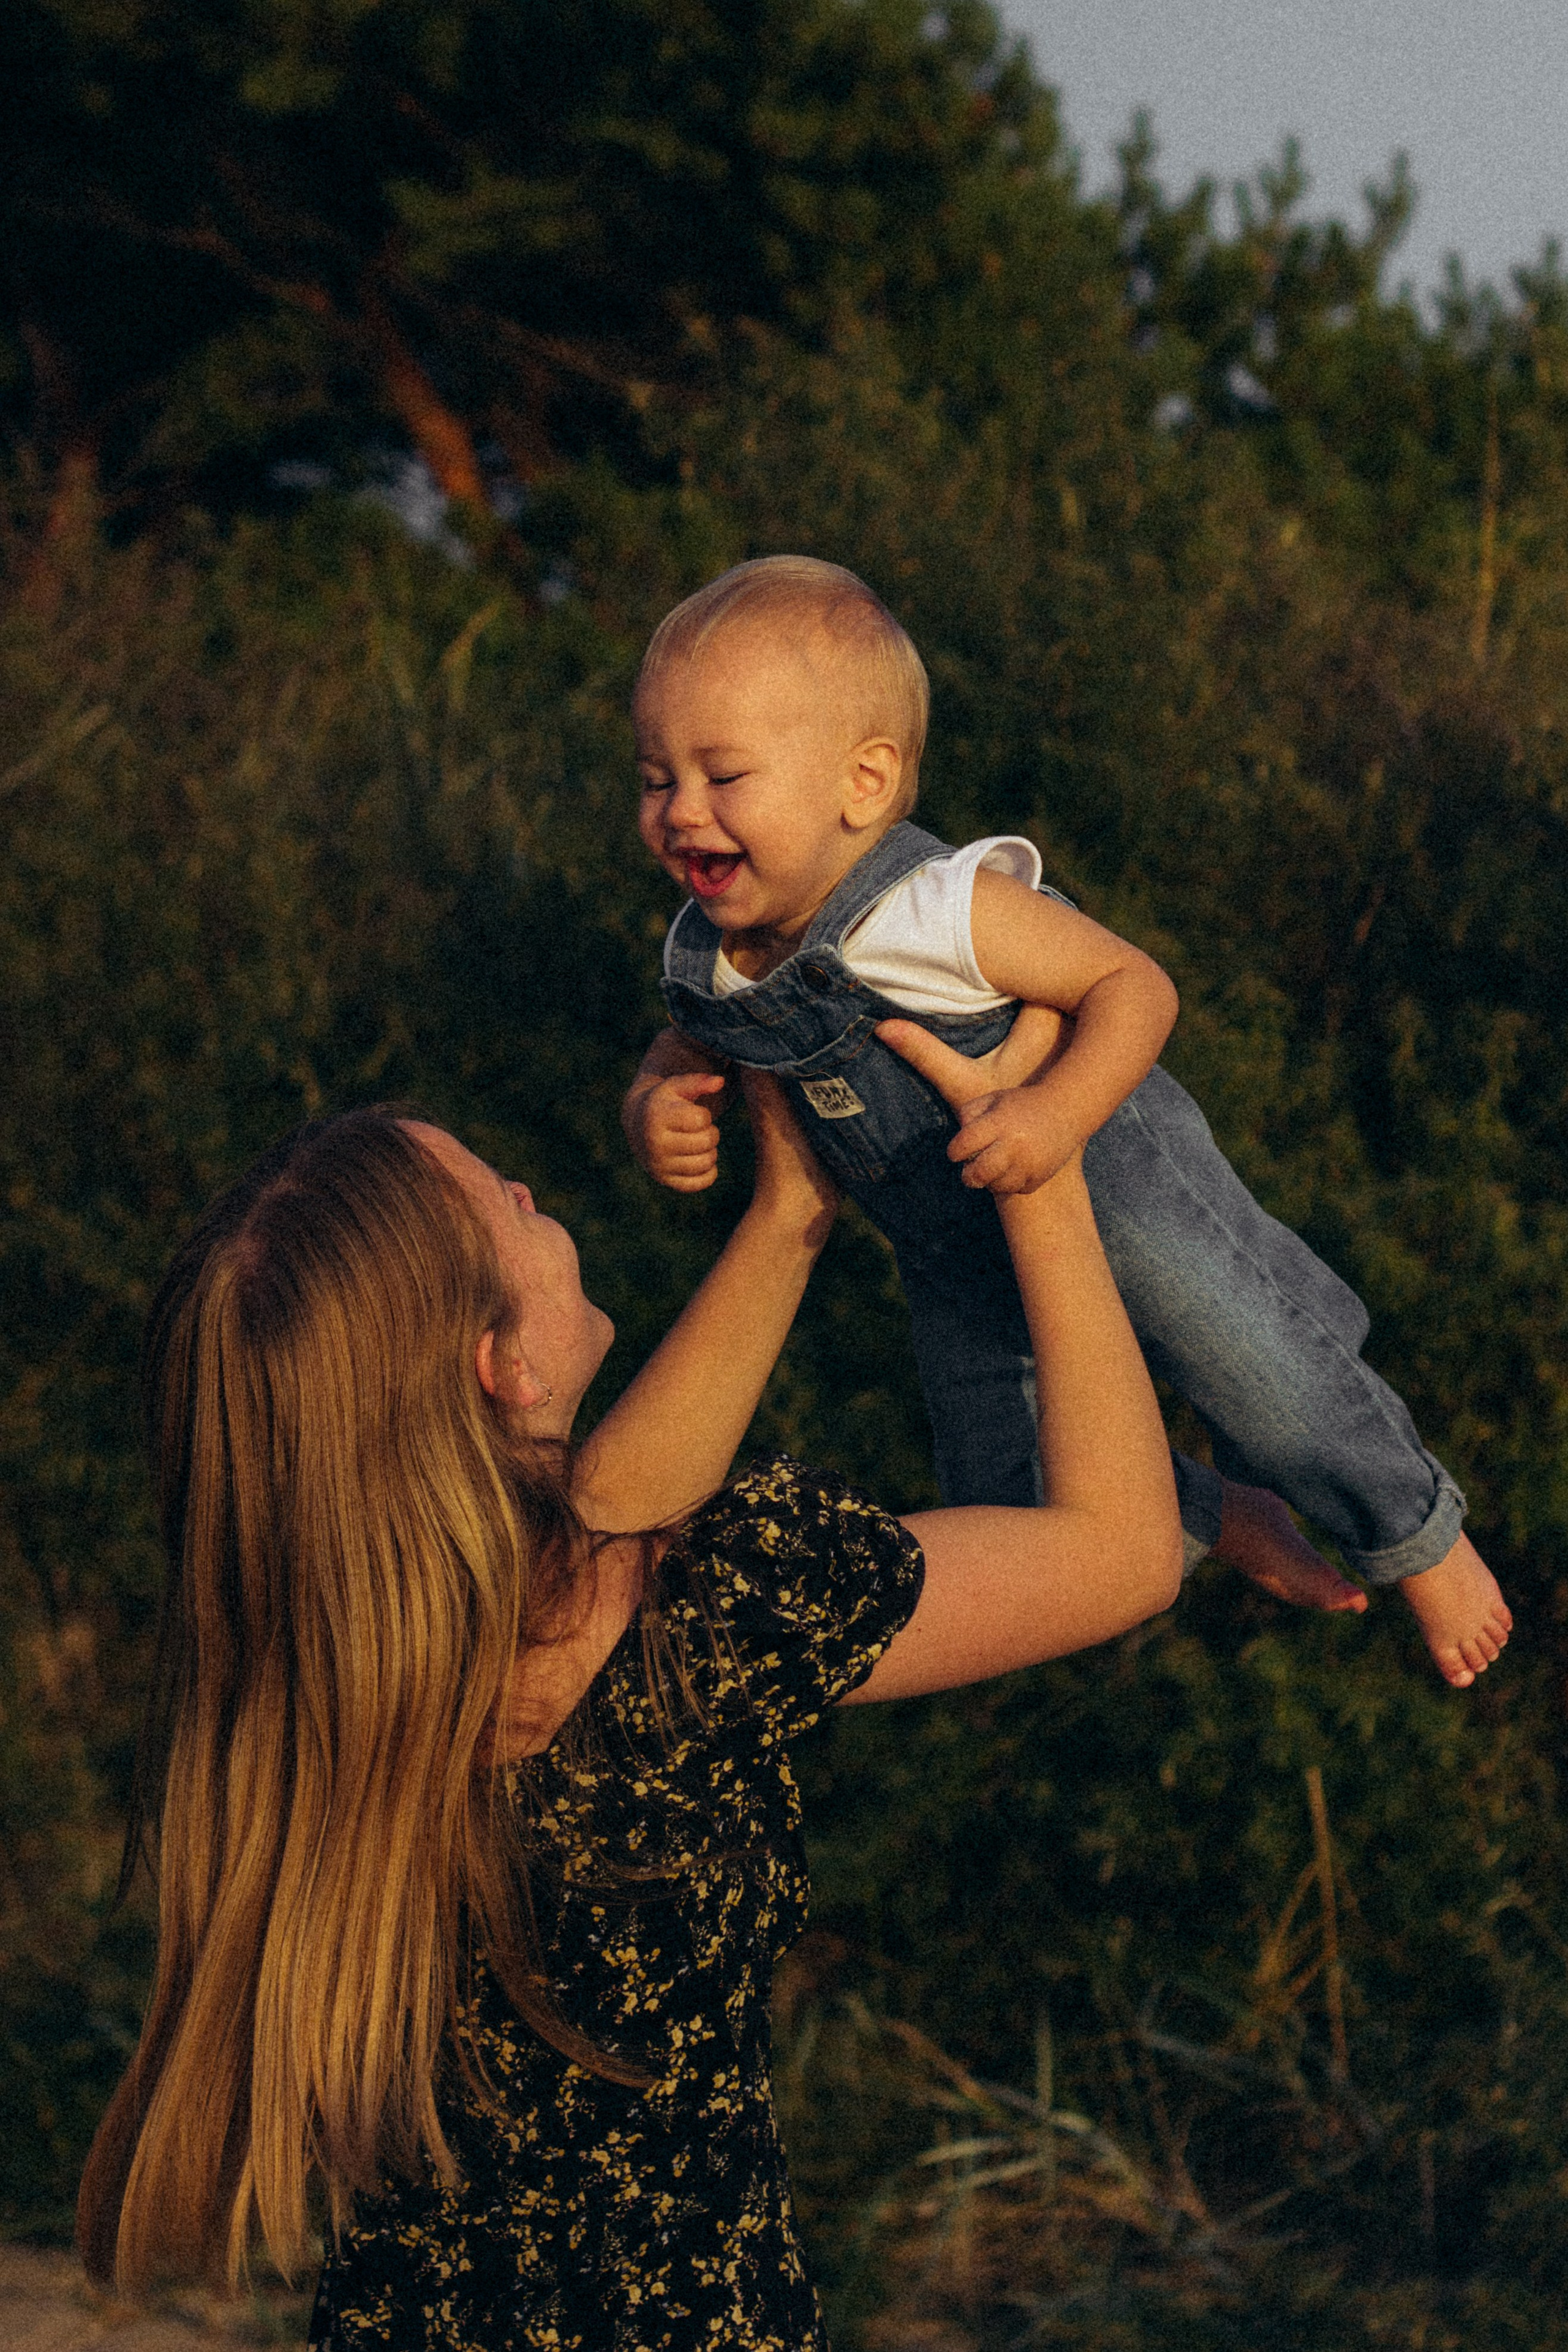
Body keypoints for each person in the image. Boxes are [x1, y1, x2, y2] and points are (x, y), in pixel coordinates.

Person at [75, 1036, 1182, 2348]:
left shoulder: (299, 1687)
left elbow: (603, 1502)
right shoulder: (704, 1619)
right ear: (503, 1367)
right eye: (510, 1204)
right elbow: (1122, 1554)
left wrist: (786, 1220)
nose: (539, 1200)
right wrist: (1035, 1161)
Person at [622, 556, 1512, 1688]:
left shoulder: (938, 908)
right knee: (1012, 1502)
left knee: (1260, 1366)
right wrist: (658, 1102)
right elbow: (684, 1042)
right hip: (952, 1248)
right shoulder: (708, 954)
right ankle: (1215, 1515)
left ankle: (1416, 1533)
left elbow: (1134, 986)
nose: (681, 811)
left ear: (863, 781)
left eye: (721, 774)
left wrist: (1055, 1113)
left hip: (1111, 1184)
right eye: (656, 779)